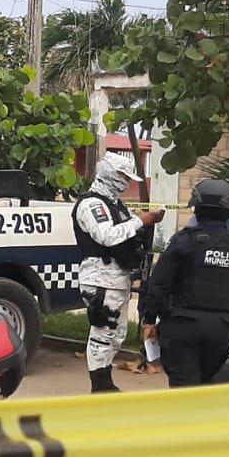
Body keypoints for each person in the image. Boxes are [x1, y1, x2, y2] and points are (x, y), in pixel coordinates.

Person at [143, 179, 229, 387]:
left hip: (182, 325)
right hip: (222, 329)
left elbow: (158, 284)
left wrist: (149, 319)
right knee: (205, 384)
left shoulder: (184, 241)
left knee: (184, 386)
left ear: (196, 208)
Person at [72, 152, 163, 392]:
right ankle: (99, 386)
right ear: (110, 174)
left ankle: (106, 382)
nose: (126, 183)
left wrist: (147, 222)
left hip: (118, 277)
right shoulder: (92, 204)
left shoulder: (115, 205)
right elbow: (107, 236)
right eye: (124, 177)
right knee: (103, 332)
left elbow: (130, 230)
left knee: (116, 333)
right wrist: (141, 221)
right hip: (100, 277)